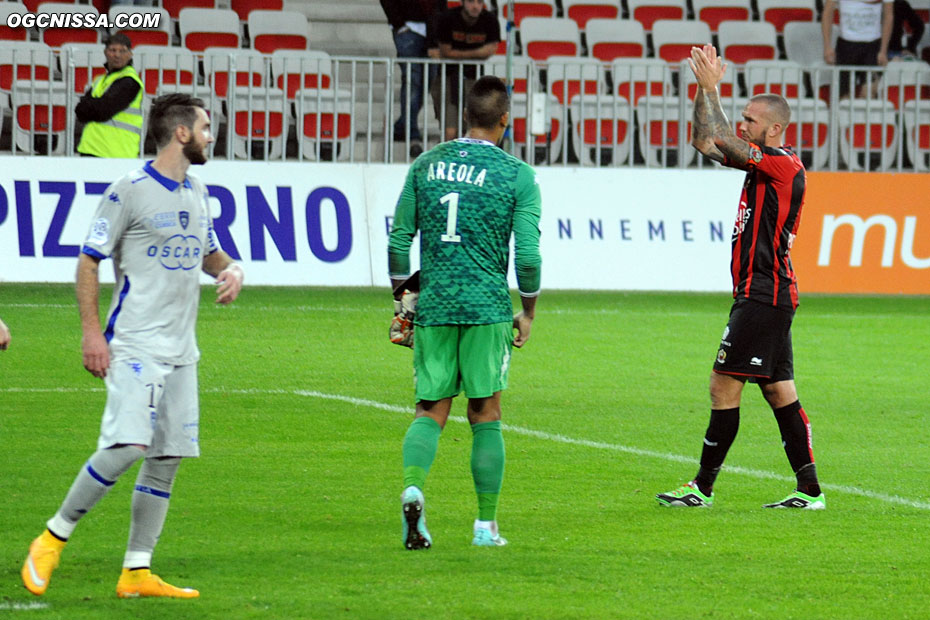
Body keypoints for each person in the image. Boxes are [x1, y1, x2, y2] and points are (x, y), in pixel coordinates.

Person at [21, 93, 244, 598]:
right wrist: (91, 333)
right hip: (136, 343)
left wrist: (232, 270)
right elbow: (88, 260)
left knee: (166, 458)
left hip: (183, 350)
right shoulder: (129, 191)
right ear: (180, 133)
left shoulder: (198, 191)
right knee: (128, 446)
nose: (212, 134)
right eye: (205, 127)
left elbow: (210, 254)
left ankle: (137, 571)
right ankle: (52, 538)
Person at [656, 45, 825, 510]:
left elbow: (726, 139)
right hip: (765, 293)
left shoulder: (783, 164)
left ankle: (701, 488)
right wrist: (701, 91)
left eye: (751, 119)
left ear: (774, 128)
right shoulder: (760, 163)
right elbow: (705, 141)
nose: (743, 124)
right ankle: (810, 492)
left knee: (721, 384)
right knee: (777, 390)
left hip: (764, 293)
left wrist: (713, 89)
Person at [388, 75, 541, 549]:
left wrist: (403, 299)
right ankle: (485, 526)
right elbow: (529, 256)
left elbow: (398, 241)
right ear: (505, 120)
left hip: (434, 304)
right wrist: (528, 310)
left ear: (465, 116)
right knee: (485, 412)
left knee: (430, 409)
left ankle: (414, 486)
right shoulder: (517, 175)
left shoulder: (426, 164)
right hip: (487, 307)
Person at [380, 0, 447, 157]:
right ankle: (413, 136)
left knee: (428, 80)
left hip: (432, 30)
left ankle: (402, 125)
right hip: (407, 29)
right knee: (412, 80)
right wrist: (399, 24)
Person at [431, 0, 500, 142]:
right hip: (448, 77)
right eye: (470, 1)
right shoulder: (448, 18)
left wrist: (456, 54)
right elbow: (445, 51)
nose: (475, 6)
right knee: (450, 131)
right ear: (462, 2)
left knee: (471, 129)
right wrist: (477, 53)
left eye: (479, 2)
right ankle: (447, 160)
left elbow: (491, 49)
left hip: (474, 79)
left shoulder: (489, 20)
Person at [75, 32, 144, 158]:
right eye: (113, 50)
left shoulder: (130, 81)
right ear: (106, 52)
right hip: (91, 148)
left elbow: (103, 111)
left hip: (117, 152)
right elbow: (80, 111)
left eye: (122, 51)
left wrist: (92, 106)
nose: (117, 55)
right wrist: (94, 106)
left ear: (130, 54)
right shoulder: (100, 80)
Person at [822, 0, 894, 98]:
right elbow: (827, 12)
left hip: (872, 46)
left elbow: (888, 16)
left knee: (869, 95)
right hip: (846, 46)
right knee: (843, 96)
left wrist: (883, 50)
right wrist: (827, 47)